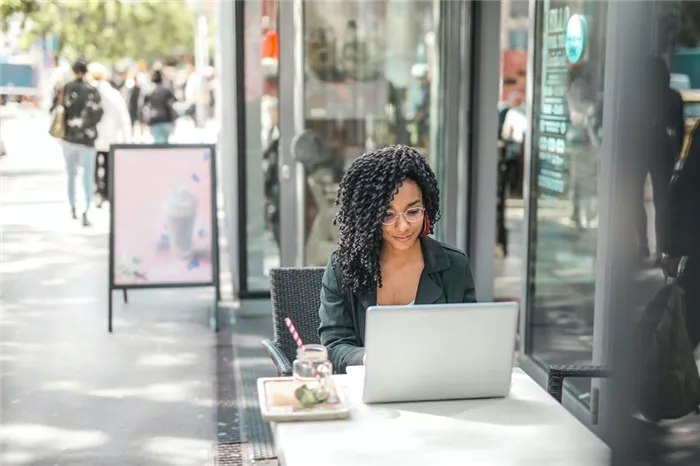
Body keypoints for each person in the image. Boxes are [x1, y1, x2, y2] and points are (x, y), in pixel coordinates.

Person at [318, 145, 478, 373]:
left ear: (427, 208)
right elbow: (334, 346)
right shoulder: (343, 267)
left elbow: (469, 343)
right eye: (387, 215)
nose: (402, 227)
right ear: (368, 217)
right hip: (367, 391)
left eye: (413, 212)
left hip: (438, 388)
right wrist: (369, 358)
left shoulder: (454, 266)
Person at [53, 58, 104, 226]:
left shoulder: (66, 88)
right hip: (87, 139)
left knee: (71, 174)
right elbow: (98, 114)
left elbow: (56, 109)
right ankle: (86, 209)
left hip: (68, 137)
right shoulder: (92, 91)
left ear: (74, 72)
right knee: (87, 175)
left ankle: (72, 206)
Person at [87, 63, 132, 207]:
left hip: (92, 135)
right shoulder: (112, 92)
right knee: (108, 164)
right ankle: (106, 191)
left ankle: (96, 191)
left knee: (93, 165)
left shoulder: (90, 90)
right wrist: (126, 137)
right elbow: (122, 115)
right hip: (110, 135)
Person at [142, 69, 177, 143]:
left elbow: (143, 106)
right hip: (166, 119)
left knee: (158, 142)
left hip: (154, 120)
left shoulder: (149, 91)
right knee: (164, 143)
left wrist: (143, 120)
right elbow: (173, 102)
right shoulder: (166, 90)